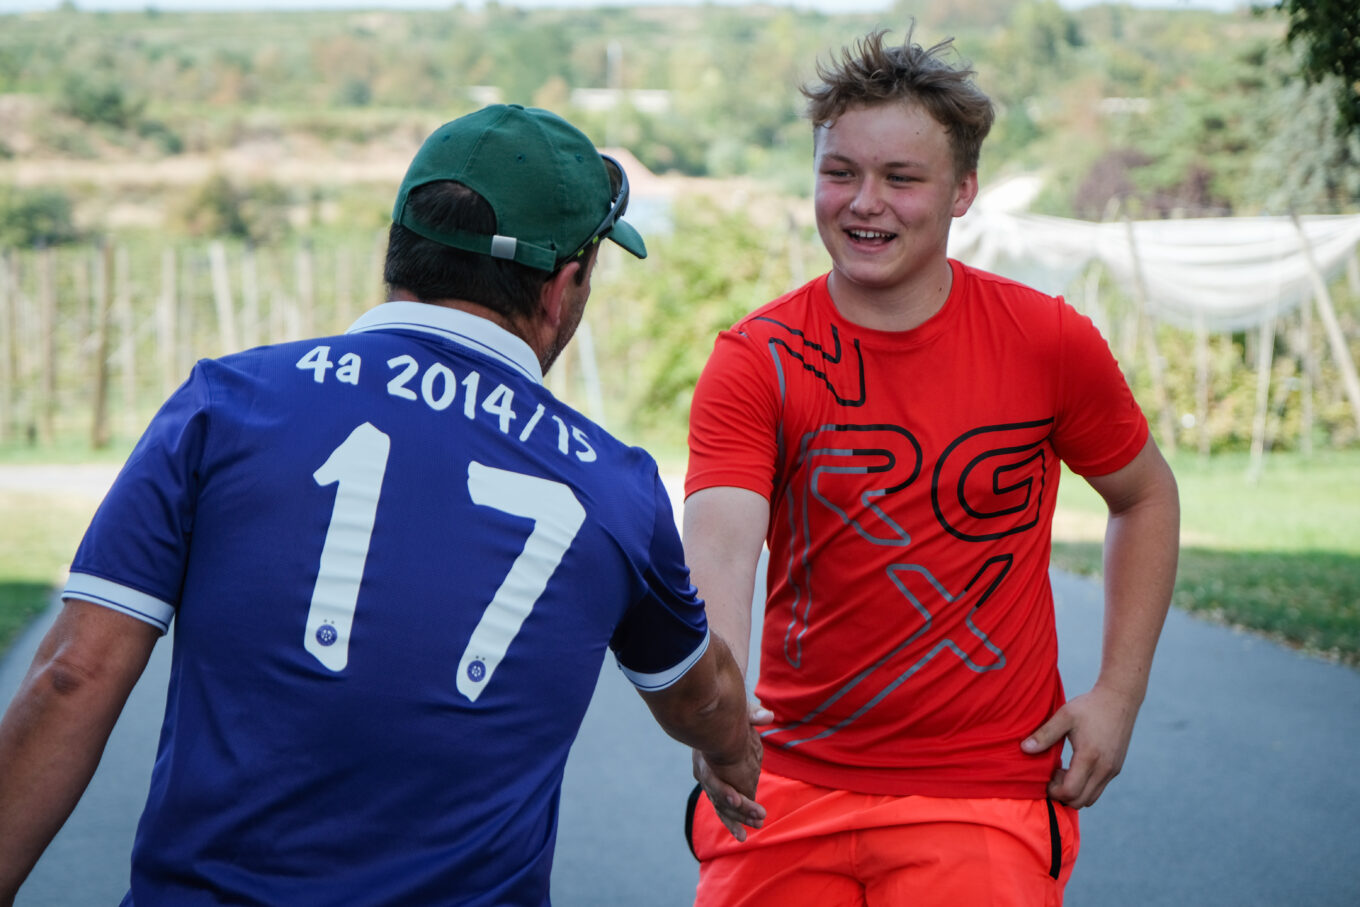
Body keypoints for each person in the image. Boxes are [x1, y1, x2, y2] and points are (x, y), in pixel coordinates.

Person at [0, 103, 763, 907]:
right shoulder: (615, 484)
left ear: (398, 247)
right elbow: (700, 693)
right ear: (562, 286)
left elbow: (71, 676)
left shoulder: (224, 404)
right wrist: (728, 746)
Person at [682, 27, 1180, 907]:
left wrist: (1119, 693)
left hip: (983, 794)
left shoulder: (1046, 339)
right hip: (784, 784)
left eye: (900, 178)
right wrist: (716, 708)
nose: (864, 202)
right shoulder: (757, 355)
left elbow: (1144, 496)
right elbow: (721, 544)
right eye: (840, 172)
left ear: (962, 192)